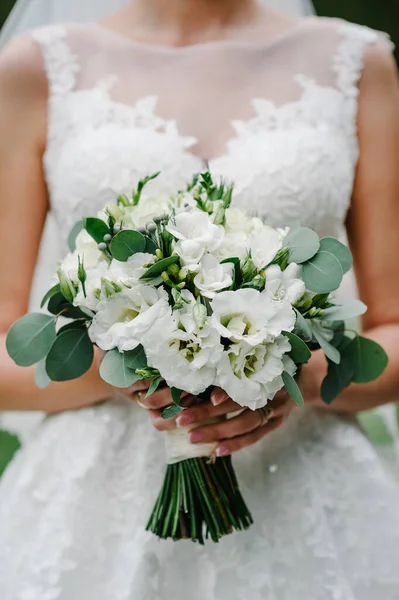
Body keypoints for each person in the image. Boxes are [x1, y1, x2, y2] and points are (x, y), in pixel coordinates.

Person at [1, 0, 399, 598]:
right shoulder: (35, 68)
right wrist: (136, 360)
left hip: (302, 480)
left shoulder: (358, 62)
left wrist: (286, 371)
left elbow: (393, 327)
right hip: (93, 497)